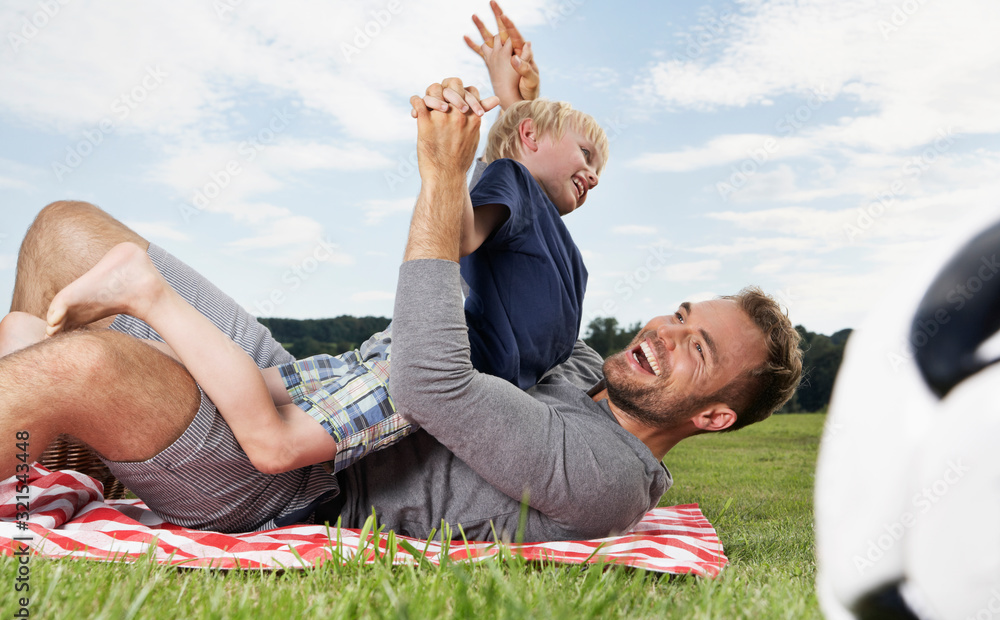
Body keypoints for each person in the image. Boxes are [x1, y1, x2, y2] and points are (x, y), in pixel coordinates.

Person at [32, 70, 607, 480]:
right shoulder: (514, 182)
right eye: (587, 154)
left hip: (406, 353)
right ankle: (147, 294)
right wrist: (455, 161)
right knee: (276, 445)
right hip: (430, 364)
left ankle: (88, 348)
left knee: (251, 386)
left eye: (600, 167)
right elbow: (459, 237)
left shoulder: (560, 244)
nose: (595, 175)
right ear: (530, 139)